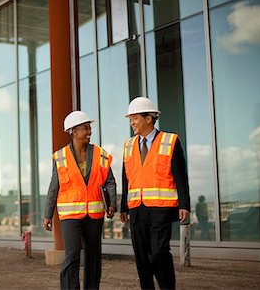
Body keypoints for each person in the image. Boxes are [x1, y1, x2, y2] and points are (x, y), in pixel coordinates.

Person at [120, 97, 190, 290]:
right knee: (141, 256)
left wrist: (184, 204)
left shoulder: (170, 141)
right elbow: (126, 177)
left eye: (134, 118)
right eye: (131, 119)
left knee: (159, 252)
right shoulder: (128, 145)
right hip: (136, 210)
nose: (132, 123)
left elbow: (180, 175)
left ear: (149, 118)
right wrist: (123, 207)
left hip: (161, 209)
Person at [44, 110, 117, 290]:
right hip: (70, 215)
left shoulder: (100, 154)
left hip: (94, 213)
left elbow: (110, 181)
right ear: (74, 131)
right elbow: (54, 187)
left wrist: (112, 203)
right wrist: (48, 215)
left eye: (89, 128)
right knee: (73, 254)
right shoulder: (60, 157)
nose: (89, 131)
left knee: (93, 256)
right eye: (86, 128)